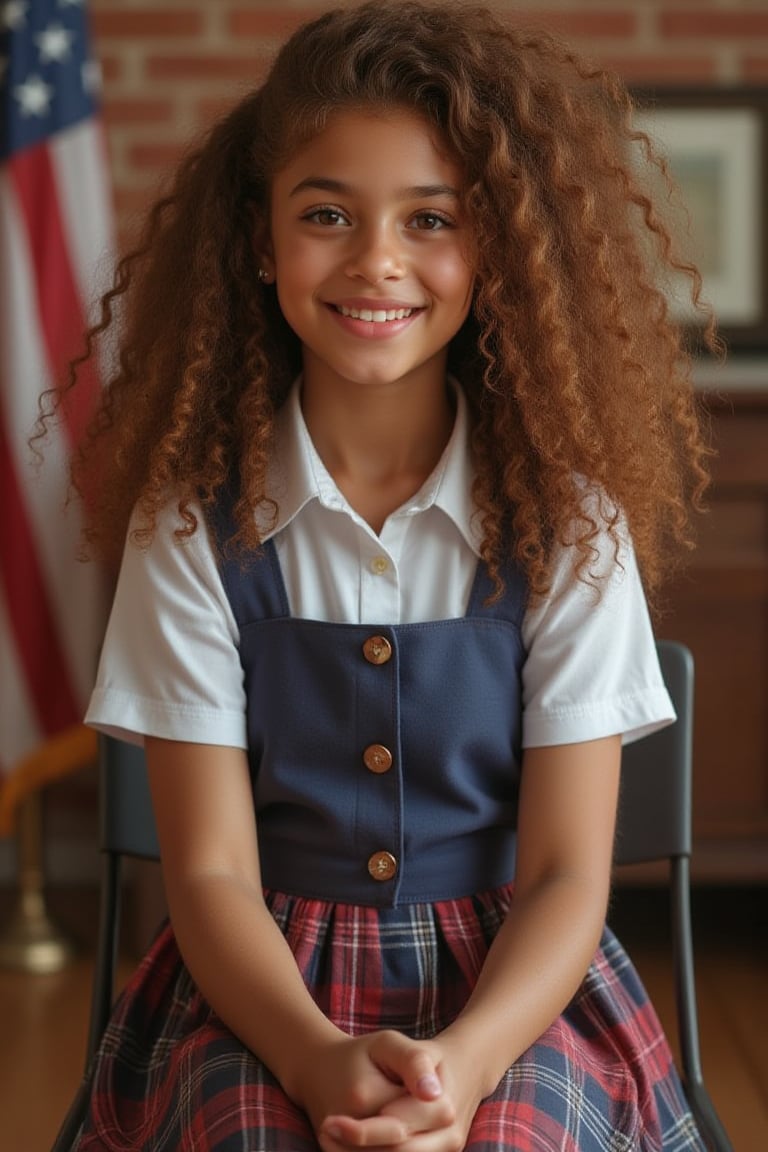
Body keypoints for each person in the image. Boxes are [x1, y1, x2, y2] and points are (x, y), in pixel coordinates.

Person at [48, 2, 718, 1149]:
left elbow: (564, 875)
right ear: (261, 240)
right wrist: (313, 1060)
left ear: (494, 247)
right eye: (325, 215)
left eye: (431, 219)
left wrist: (461, 1069)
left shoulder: (567, 526)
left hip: (514, 999)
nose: (376, 260)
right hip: (259, 993)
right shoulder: (190, 528)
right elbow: (207, 874)